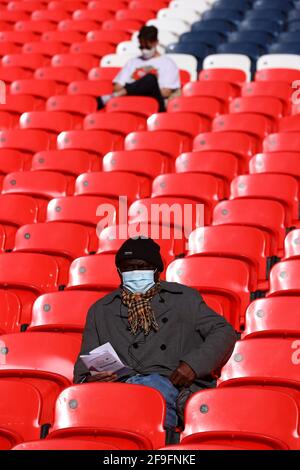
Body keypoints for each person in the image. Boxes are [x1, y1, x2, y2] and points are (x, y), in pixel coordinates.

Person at [74, 237, 237, 439]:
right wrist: (92, 378)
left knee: (152, 392)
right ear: (119, 272)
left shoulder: (184, 299)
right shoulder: (101, 310)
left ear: (157, 270)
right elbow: (86, 367)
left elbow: (223, 331)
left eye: (142, 267)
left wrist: (193, 365)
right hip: (118, 390)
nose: (134, 273)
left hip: (170, 385)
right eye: (128, 268)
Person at [96, 26, 181, 112]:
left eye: (147, 47)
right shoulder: (133, 62)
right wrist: (138, 87)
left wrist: (139, 87)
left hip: (154, 103)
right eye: (141, 47)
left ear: (156, 43)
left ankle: (115, 96)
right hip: (130, 102)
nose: (144, 50)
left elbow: (166, 92)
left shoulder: (167, 63)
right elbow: (117, 87)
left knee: (150, 79)